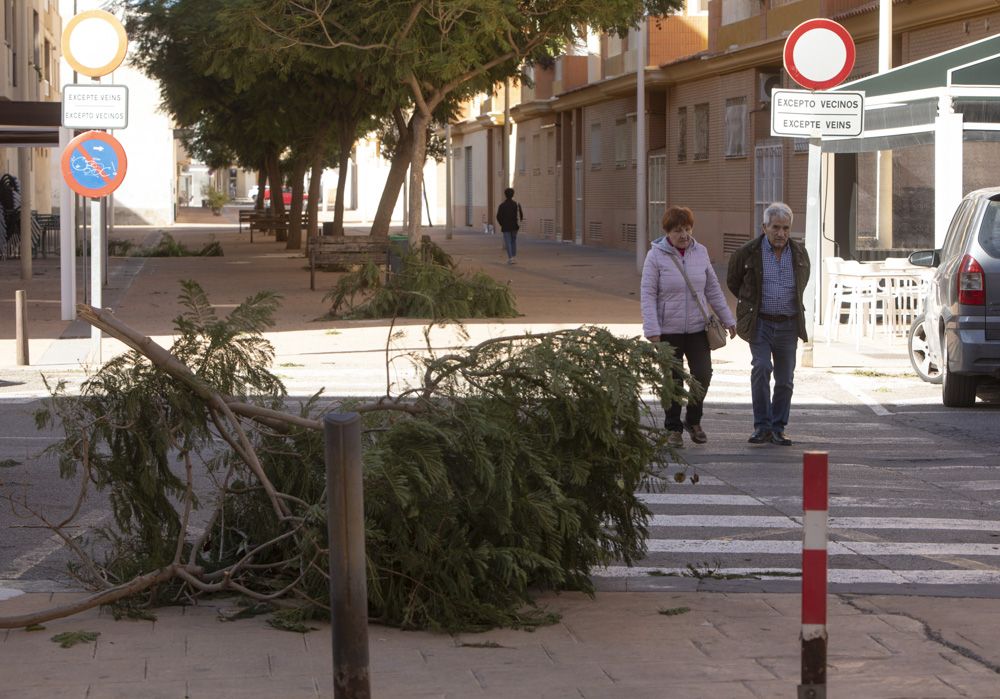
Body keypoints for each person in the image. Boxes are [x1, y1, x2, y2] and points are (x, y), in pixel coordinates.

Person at [641, 205, 736, 449]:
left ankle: (693, 420)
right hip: (667, 330)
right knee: (673, 380)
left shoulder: (700, 252)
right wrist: (652, 329)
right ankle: (673, 428)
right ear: (667, 233)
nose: (683, 235)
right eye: (677, 231)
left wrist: (728, 319)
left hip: (697, 327)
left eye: (687, 229)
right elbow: (648, 294)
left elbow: (712, 289)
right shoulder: (656, 256)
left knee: (703, 375)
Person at [726, 202, 811, 446]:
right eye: (776, 227)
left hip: (788, 325)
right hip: (760, 323)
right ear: (764, 227)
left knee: (785, 379)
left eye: (785, 228)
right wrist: (750, 305)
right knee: (761, 368)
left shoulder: (799, 253)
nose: (781, 233)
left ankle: (778, 427)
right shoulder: (748, 252)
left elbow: (802, 282)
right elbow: (734, 282)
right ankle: (761, 426)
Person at [496, 187, 524, 264]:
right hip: (515, 226)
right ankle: (514, 257)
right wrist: (518, 224)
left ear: (505, 195)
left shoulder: (502, 205)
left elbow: (498, 217)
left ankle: (510, 258)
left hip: (506, 227)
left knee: (508, 241)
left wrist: (502, 224)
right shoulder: (516, 204)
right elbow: (521, 215)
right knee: (513, 241)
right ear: (513, 195)